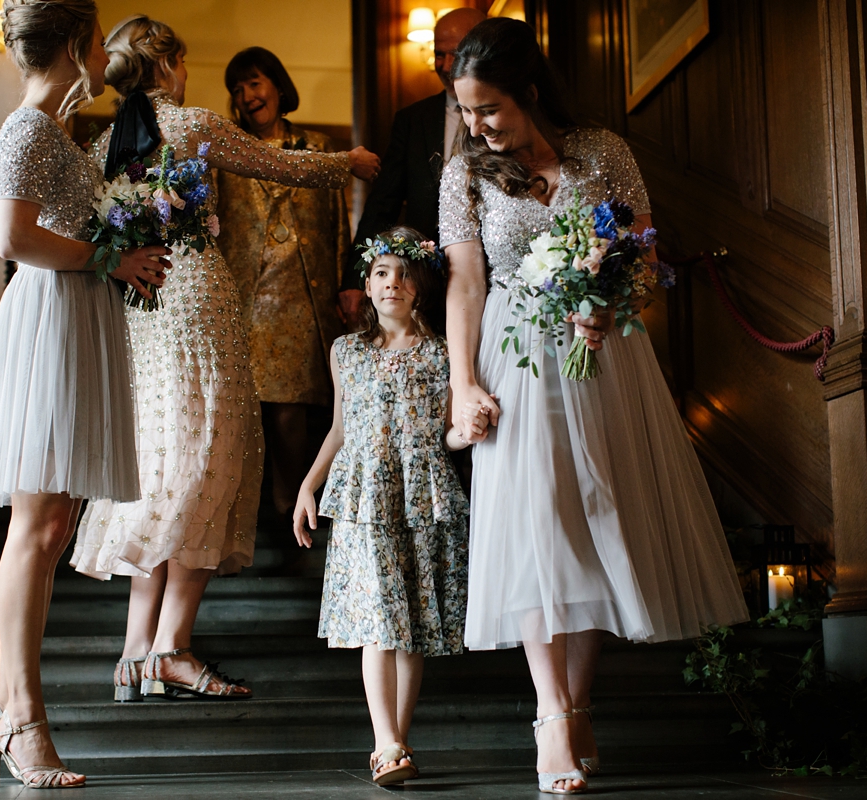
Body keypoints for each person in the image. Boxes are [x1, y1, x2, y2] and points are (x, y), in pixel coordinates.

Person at [440, 18, 750, 795]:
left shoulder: (603, 151)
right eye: (466, 111)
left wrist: (614, 299)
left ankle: (577, 705)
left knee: (590, 516)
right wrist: (462, 382)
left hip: (603, 356)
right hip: (514, 356)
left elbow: (642, 247)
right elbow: (466, 285)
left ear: (530, 92)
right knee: (538, 521)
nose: (477, 127)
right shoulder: (464, 175)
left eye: (490, 111)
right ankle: (548, 716)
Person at [69, 15, 380, 705]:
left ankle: (134, 655)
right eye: (181, 60)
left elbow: (74, 224)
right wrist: (347, 164)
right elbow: (280, 163)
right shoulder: (186, 123)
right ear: (170, 63)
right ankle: (171, 649)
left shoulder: (108, 143)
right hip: (198, 304)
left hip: (143, 313)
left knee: (161, 464)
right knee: (207, 460)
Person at [0, 0, 171, 789]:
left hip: (76, 316)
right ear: (81, 44)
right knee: (36, 522)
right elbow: (11, 239)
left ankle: (4, 703)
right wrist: (111, 261)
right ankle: (19, 714)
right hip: (48, 319)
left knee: (51, 528)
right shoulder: (26, 129)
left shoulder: (57, 128)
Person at [293, 227, 475, 787]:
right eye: (380, 273)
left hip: (421, 491)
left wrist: (464, 437)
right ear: (367, 287)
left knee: (410, 622)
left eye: (402, 274)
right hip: (365, 491)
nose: (391, 282)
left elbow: (447, 430)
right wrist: (308, 485)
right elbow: (341, 428)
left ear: (419, 287)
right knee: (379, 619)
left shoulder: (443, 353)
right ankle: (385, 742)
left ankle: (398, 741)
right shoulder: (345, 351)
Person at [216, 47, 358, 524]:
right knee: (243, 414)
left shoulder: (320, 150)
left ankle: (289, 508)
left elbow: (341, 228)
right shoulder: (227, 152)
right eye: (237, 90)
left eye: (254, 83)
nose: (247, 96)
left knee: (290, 414)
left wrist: (346, 287)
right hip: (244, 297)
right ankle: (242, 519)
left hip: (301, 295)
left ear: (277, 85)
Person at [350, 7, 486, 263]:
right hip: (425, 273)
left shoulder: (507, 117)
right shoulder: (412, 120)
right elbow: (383, 204)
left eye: (455, 55)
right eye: (438, 55)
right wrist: (355, 279)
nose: (446, 66)